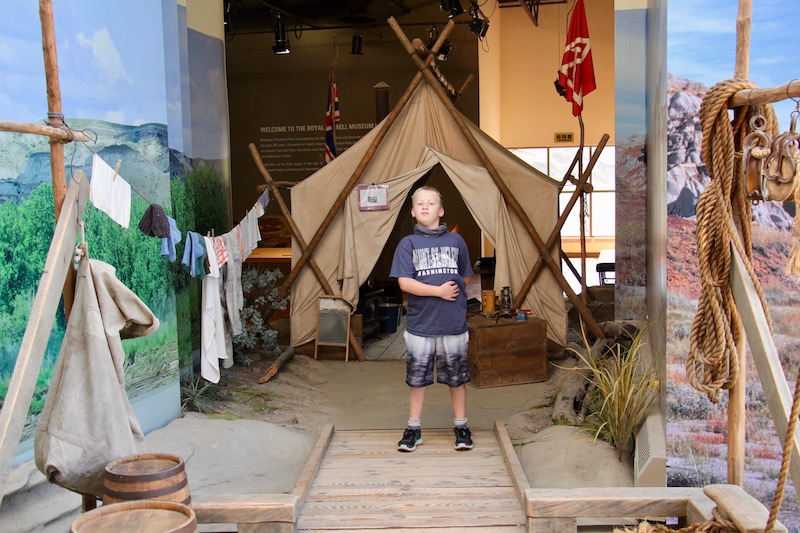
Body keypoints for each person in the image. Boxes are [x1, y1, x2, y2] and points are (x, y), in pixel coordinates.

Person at [389, 185, 474, 452]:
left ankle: (461, 426)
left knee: (457, 378)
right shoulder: (408, 244)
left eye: (431, 202)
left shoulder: (456, 241)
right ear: (413, 212)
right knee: (417, 380)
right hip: (420, 325)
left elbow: (467, 276)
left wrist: (453, 289)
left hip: (453, 324)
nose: (426, 206)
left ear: (441, 210)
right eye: (420, 204)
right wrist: (437, 291)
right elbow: (404, 283)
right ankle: (413, 429)